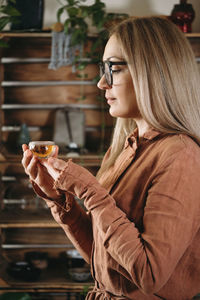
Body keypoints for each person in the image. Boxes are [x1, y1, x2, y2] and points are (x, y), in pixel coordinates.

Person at [22, 16, 200, 300]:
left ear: (153, 72)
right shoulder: (129, 148)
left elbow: (149, 275)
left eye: (113, 68)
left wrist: (88, 189)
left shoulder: (181, 156)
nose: (101, 83)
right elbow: (103, 256)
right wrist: (58, 199)